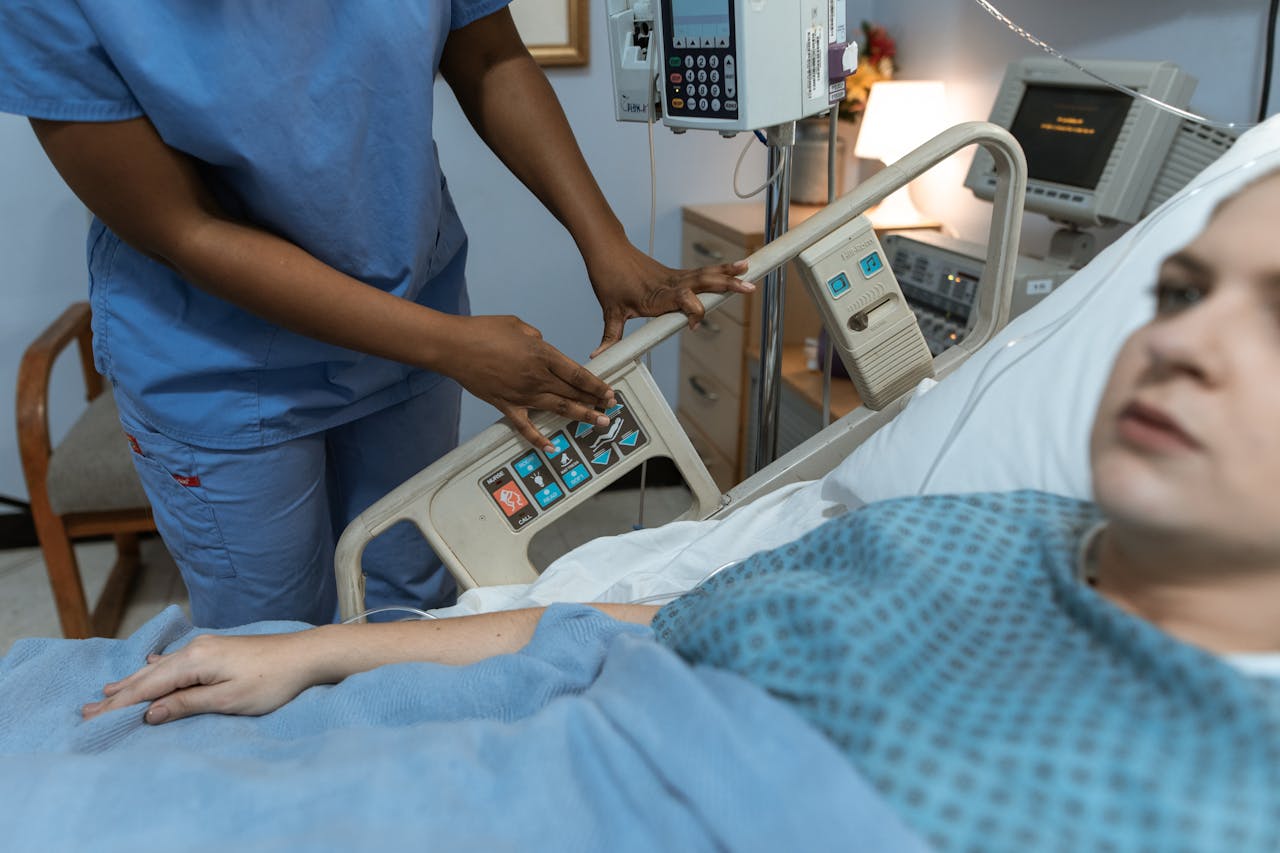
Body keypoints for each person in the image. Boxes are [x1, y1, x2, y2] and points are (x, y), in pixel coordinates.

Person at [79, 169, 1280, 850]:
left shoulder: (1220, 791)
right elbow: (645, 619)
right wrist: (318, 653)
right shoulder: (978, 525)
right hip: (481, 754)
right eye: (1178, 290)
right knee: (129, 721)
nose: (1179, 342)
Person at [0, 1, 751, 628]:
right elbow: (185, 230)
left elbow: (491, 55)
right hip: (220, 358)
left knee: (412, 603)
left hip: (410, 308)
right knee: (271, 637)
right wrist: (453, 347)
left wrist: (607, 245)